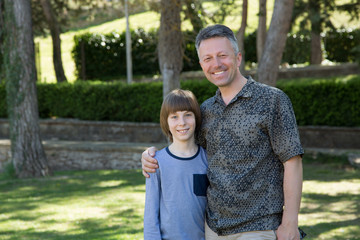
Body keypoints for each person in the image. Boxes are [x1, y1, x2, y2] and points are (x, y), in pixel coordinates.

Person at [142, 24, 304, 240]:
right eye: (207, 58)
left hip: (258, 227)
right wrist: (151, 156)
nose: (216, 64)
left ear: (237, 58)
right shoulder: (205, 110)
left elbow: (292, 160)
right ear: (201, 64)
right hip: (212, 230)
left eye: (222, 55)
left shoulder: (272, 100)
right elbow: (187, 152)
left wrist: (290, 222)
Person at [143, 89, 209, 240]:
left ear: (196, 118)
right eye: (174, 117)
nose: (182, 122)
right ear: (166, 121)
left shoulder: (208, 159)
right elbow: (150, 215)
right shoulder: (156, 162)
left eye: (188, 115)